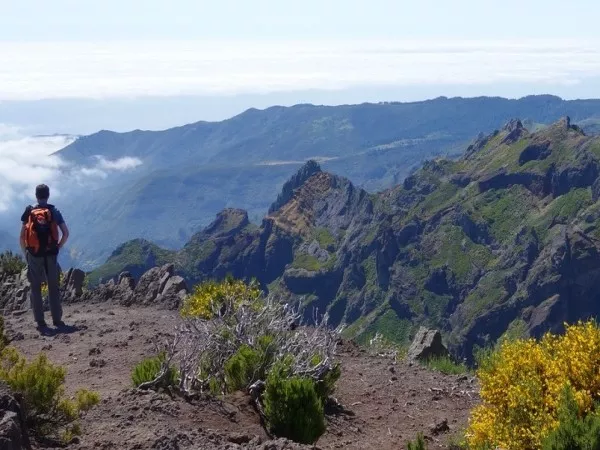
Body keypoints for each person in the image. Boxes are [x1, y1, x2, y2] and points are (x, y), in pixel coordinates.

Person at [19, 184, 70, 330]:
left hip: (34, 254)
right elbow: (66, 233)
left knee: (35, 287)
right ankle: (57, 320)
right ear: (48, 195)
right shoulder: (54, 211)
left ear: (36, 195)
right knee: (53, 287)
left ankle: (40, 321)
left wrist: (26, 254)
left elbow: (22, 237)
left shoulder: (29, 212)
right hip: (51, 253)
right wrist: (57, 247)